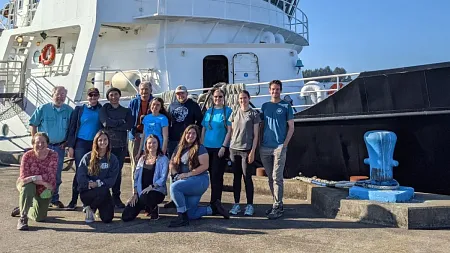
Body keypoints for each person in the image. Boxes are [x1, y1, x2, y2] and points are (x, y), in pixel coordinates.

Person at [168, 125, 229, 227]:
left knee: (175, 187)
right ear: (185, 134)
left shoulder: (200, 148)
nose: (190, 135)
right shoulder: (179, 147)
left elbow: (205, 166)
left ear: (197, 136)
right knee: (191, 214)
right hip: (186, 182)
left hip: (198, 181)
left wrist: (187, 174)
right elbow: (172, 163)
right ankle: (213, 209)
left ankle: (181, 217)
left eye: (193, 133)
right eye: (188, 133)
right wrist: (175, 175)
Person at [29, 86, 73, 208]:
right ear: (52, 94)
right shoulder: (43, 108)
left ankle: (54, 198)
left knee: (56, 175)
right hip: (44, 148)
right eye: (58, 94)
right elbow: (33, 125)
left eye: (63, 95)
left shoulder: (69, 111)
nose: (60, 97)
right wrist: (35, 142)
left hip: (59, 148)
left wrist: (68, 142)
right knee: (41, 174)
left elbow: (73, 128)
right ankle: (40, 199)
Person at [260, 80, 295, 220]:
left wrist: (284, 144)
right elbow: (260, 125)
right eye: (273, 89)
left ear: (281, 90)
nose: (275, 92)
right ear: (269, 90)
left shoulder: (286, 106)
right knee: (270, 177)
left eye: (278, 89)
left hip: (279, 147)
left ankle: (278, 205)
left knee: (277, 177)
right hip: (265, 147)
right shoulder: (265, 106)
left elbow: (291, 127)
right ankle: (275, 202)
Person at [165, 85, 203, 208]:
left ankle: (185, 194)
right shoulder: (172, 106)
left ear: (187, 94)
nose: (180, 95)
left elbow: (200, 123)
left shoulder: (193, 105)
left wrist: (197, 140)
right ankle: (173, 197)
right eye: (178, 94)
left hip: (189, 142)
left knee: (186, 166)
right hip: (174, 141)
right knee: (174, 167)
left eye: (182, 93)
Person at [65, 87, 102, 210]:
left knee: (94, 170)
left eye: (95, 95)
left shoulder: (101, 110)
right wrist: (70, 146)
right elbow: (72, 128)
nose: (93, 98)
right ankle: (74, 200)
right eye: (90, 95)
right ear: (87, 97)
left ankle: (90, 201)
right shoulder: (80, 109)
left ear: (98, 96)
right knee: (80, 171)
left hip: (95, 144)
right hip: (81, 143)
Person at [15, 132, 58, 230]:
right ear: (33, 144)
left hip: (44, 189)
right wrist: (40, 180)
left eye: (43, 142)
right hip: (29, 184)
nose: (40, 145)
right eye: (37, 142)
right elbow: (24, 177)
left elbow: (50, 176)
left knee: (39, 217)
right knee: (27, 187)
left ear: (47, 143)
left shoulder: (53, 155)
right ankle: (23, 217)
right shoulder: (27, 156)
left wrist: (35, 179)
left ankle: (22, 208)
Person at [99, 87, 134, 208]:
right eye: (111, 95)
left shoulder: (126, 111)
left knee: (117, 172)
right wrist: (120, 122)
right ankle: (105, 196)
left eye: (116, 94)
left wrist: (113, 124)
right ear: (108, 97)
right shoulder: (104, 109)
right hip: (106, 146)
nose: (114, 97)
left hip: (120, 146)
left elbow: (129, 125)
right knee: (104, 170)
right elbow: (105, 123)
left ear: (119, 96)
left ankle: (116, 197)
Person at [122, 134, 169, 222]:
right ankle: (145, 206)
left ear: (158, 144)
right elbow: (136, 178)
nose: (152, 145)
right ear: (146, 145)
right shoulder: (142, 159)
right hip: (141, 192)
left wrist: (151, 186)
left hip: (156, 191)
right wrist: (135, 194)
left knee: (146, 196)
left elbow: (163, 179)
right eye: (149, 143)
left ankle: (153, 208)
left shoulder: (163, 159)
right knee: (126, 216)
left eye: (154, 142)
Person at [229, 90, 260, 216]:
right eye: (241, 98)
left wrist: (253, 151)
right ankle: (236, 204)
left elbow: (256, 135)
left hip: (246, 150)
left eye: (245, 98)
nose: (243, 100)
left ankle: (249, 205)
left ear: (249, 98)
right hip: (234, 149)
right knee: (236, 178)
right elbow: (231, 131)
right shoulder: (235, 112)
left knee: (247, 177)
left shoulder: (254, 114)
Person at [77, 130, 120, 223]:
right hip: (88, 192)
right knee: (98, 192)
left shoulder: (113, 159)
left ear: (108, 141)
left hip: (103, 191)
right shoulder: (87, 157)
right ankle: (89, 208)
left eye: (105, 140)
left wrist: (98, 183)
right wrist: (89, 184)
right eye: (100, 140)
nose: (103, 142)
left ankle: (98, 209)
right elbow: (80, 175)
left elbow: (112, 180)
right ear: (96, 142)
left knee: (108, 218)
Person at [201, 88, 232, 215]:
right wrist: (201, 146)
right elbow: (203, 129)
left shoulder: (228, 111)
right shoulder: (209, 111)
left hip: (219, 148)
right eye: (215, 97)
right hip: (207, 147)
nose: (217, 99)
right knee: (203, 175)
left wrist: (224, 146)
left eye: (220, 97)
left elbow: (230, 130)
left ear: (223, 98)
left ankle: (216, 202)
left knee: (216, 176)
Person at [128, 81, 153, 176]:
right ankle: (135, 188)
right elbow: (129, 118)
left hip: (150, 136)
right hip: (136, 135)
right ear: (139, 91)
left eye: (146, 89)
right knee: (135, 162)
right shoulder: (133, 102)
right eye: (142, 89)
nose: (144, 91)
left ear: (151, 90)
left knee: (150, 161)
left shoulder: (154, 102)